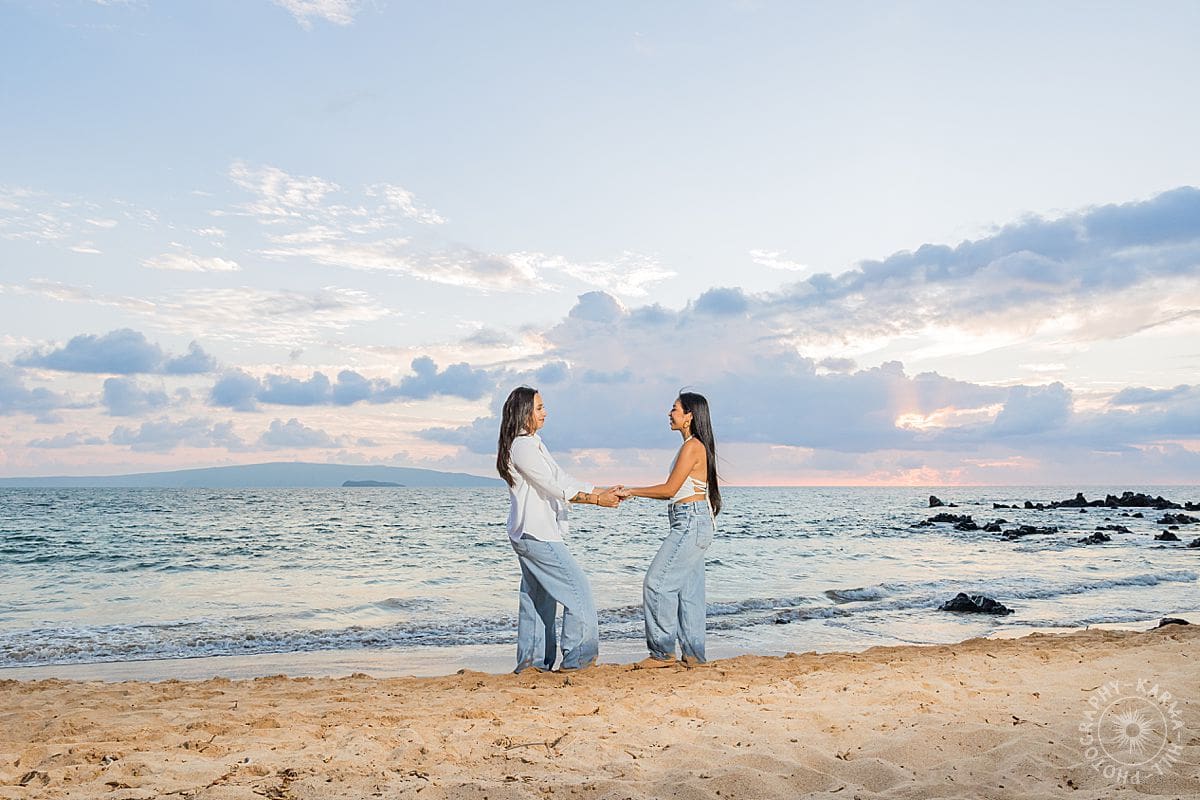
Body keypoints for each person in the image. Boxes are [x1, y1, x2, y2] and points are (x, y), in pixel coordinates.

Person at [497, 386, 622, 673]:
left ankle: (532, 665)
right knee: (578, 592)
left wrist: (601, 489)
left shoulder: (532, 443)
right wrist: (597, 500)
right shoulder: (523, 447)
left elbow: (561, 477)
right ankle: (579, 658)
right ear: (524, 412)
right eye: (539, 407)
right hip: (537, 533)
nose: (545, 412)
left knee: (537, 600)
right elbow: (554, 486)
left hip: (529, 532)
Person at [617, 392, 721, 668]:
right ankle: (694, 655)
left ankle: (662, 654)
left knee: (657, 585)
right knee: (689, 594)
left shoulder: (692, 447)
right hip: (692, 521)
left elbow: (669, 490)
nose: (669, 413)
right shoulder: (692, 446)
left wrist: (631, 491)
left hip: (690, 522)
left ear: (689, 416)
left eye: (674, 409)